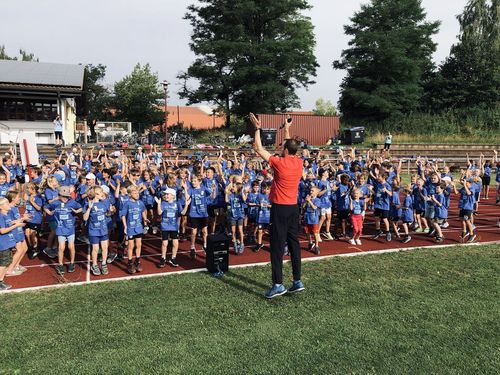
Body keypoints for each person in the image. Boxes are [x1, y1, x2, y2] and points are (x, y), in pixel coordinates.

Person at [250, 113, 305, 299]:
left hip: (280, 209)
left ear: (286, 151)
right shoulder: (298, 162)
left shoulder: (279, 163)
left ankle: (278, 284)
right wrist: (287, 128)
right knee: (294, 244)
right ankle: (297, 281)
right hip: (293, 208)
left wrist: (257, 128)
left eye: (282, 147)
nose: (280, 148)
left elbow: (258, 148)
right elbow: (290, 144)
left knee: (277, 247)